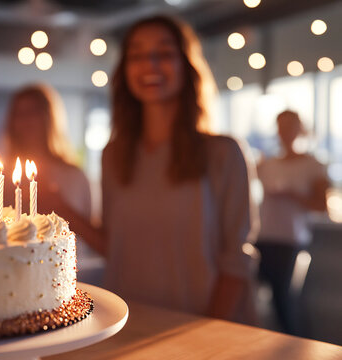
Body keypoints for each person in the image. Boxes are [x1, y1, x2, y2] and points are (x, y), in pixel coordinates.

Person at [50, 15, 258, 323]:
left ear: (187, 66)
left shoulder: (223, 153)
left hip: (204, 327)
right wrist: (59, 206)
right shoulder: (114, 155)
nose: (150, 64)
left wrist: (209, 330)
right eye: (136, 55)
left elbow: (237, 260)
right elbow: (117, 247)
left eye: (164, 53)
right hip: (130, 322)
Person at [257, 110, 329, 334]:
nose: (284, 131)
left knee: (283, 302)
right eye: (281, 125)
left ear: (299, 129)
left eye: (290, 126)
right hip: (263, 236)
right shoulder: (266, 164)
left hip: (290, 240)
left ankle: (289, 350)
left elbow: (321, 205)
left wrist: (292, 194)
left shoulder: (313, 164)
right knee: (254, 299)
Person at [3, 83, 91, 222]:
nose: (26, 121)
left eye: (33, 112)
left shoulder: (73, 176)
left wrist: (56, 205)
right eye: (19, 113)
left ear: (48, 117)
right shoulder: (3, 177)